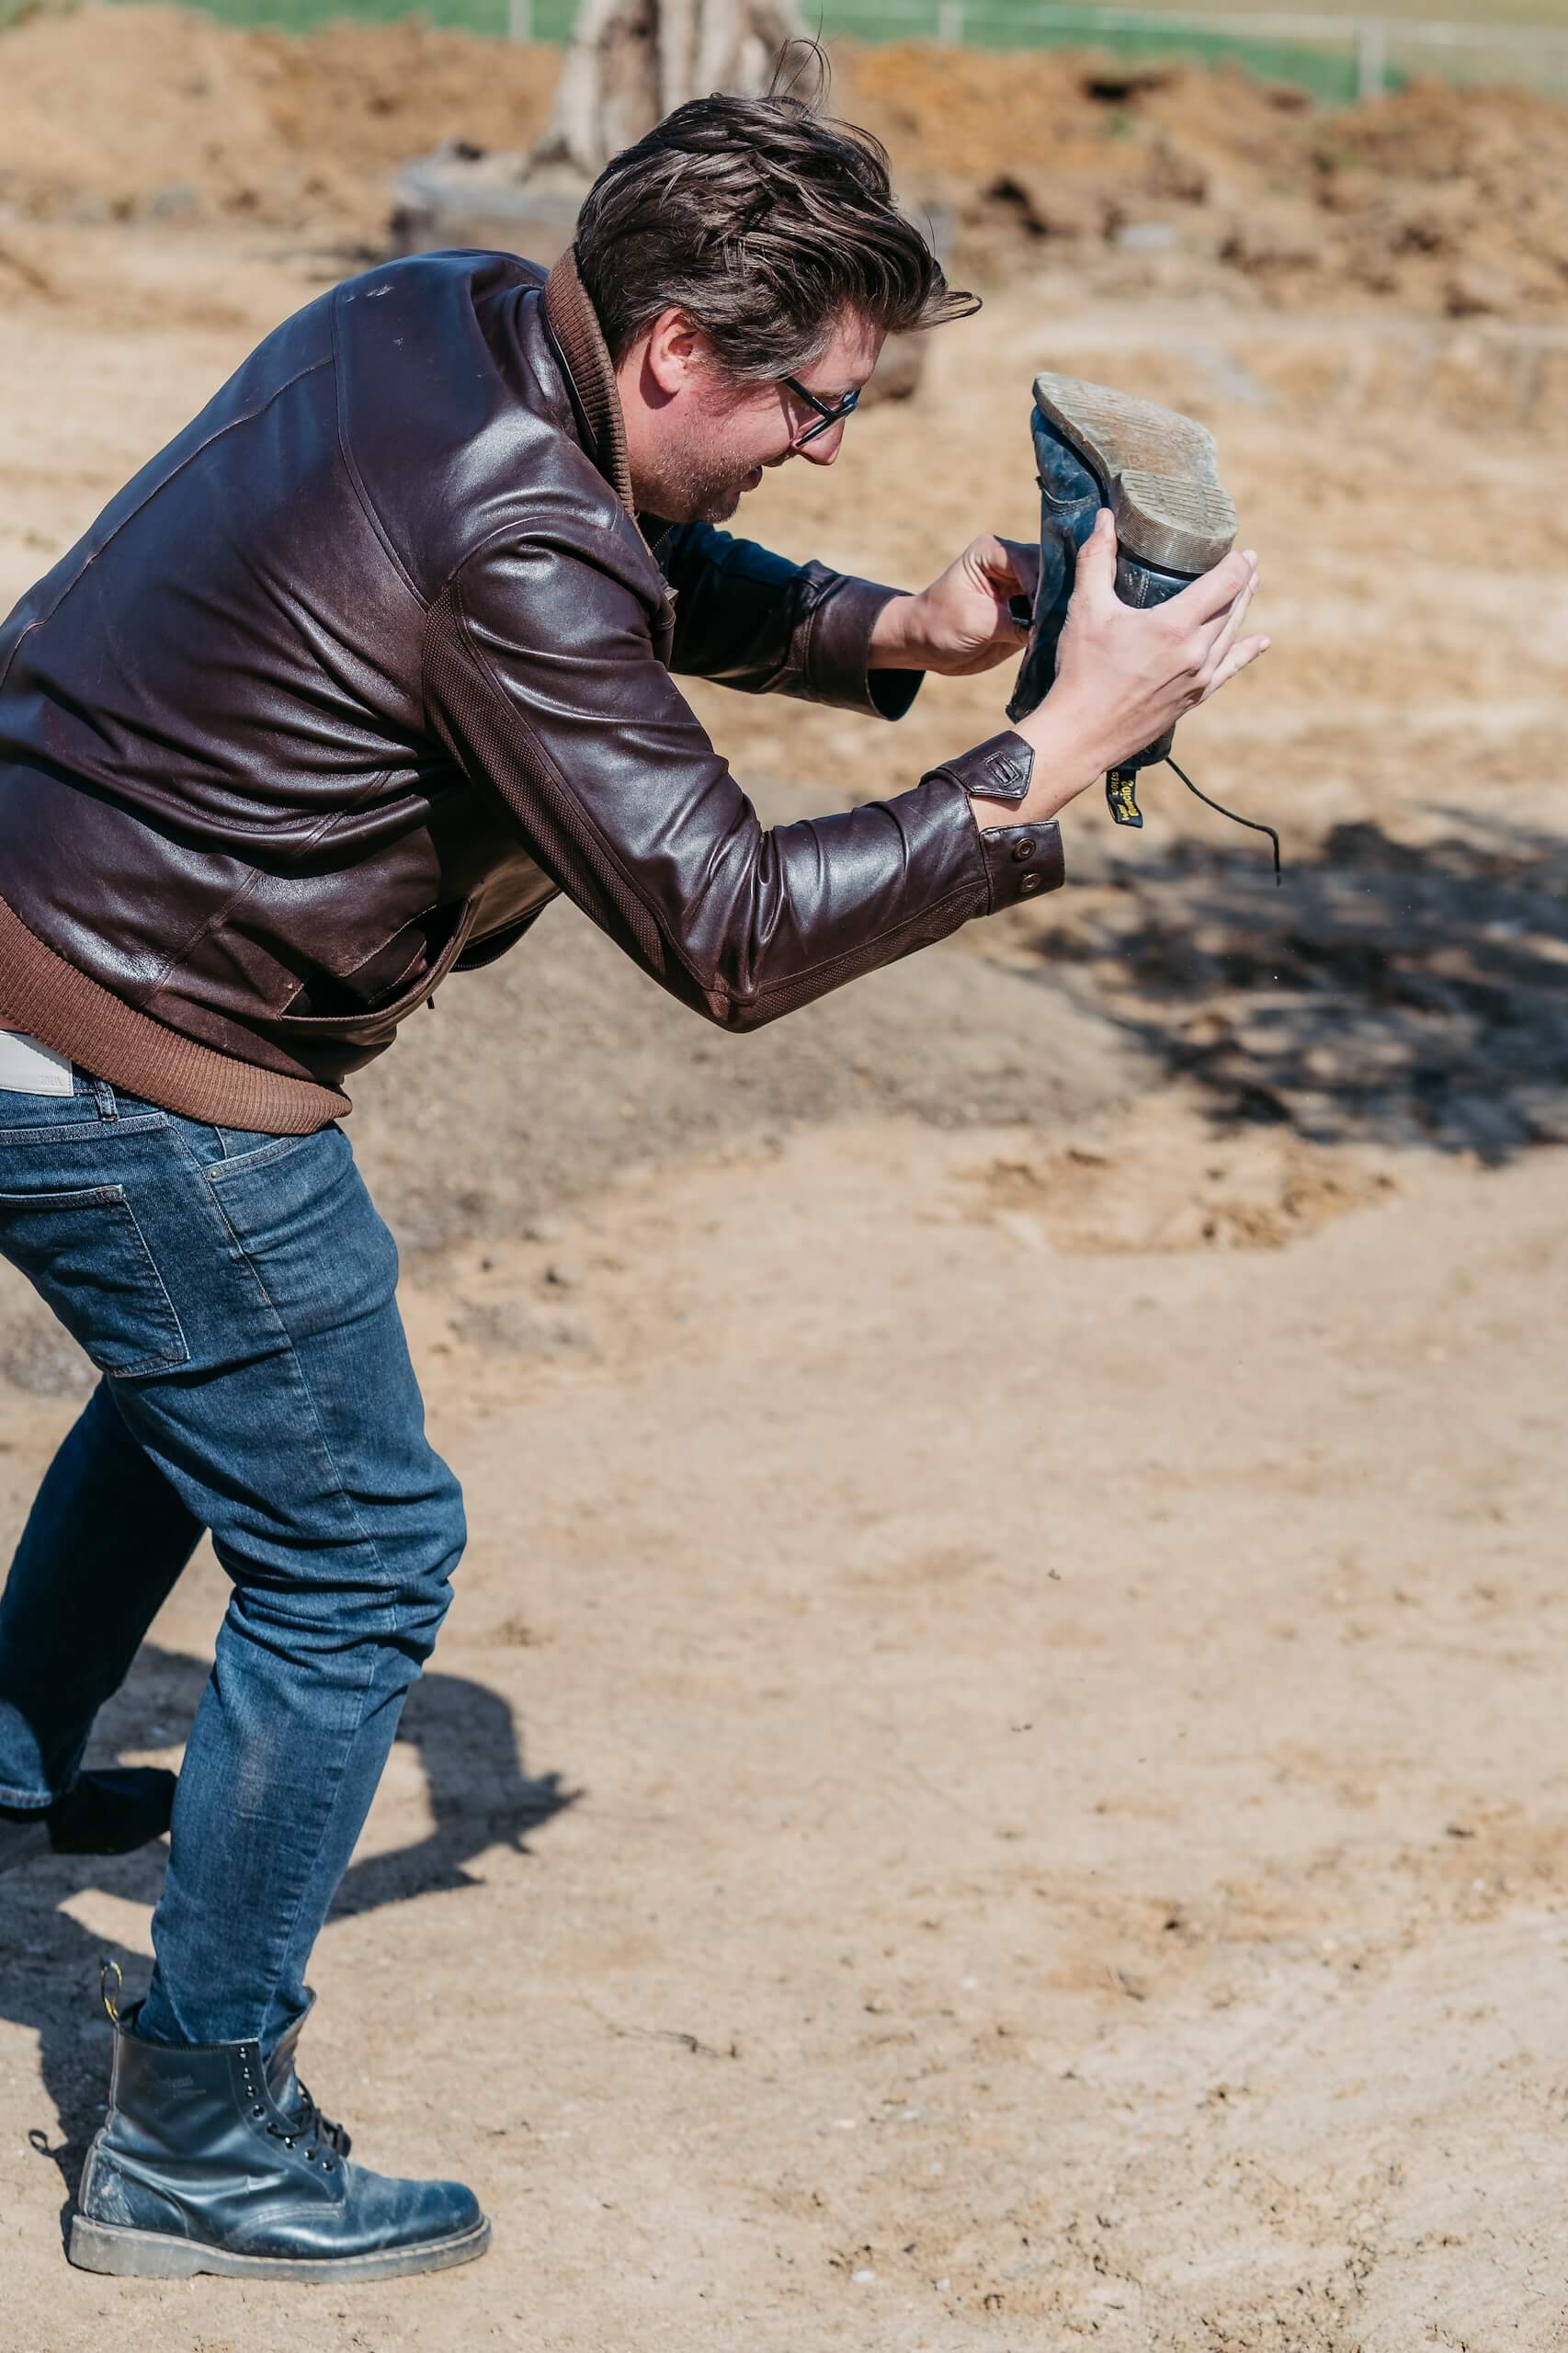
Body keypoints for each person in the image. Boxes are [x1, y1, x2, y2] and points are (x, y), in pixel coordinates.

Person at [0, 65, 1266, 2282]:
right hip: (124, 1049)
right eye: (811, 402)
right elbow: (732, 933)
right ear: (675, 346)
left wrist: (899, 633)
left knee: (218, 1385)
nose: (826, 444)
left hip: (49, 931)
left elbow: (626, 569)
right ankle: (195, 2129)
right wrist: (1052, 747)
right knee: (357, 1541)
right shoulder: (518, 527)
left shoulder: (444, 316)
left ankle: (12, 1760)